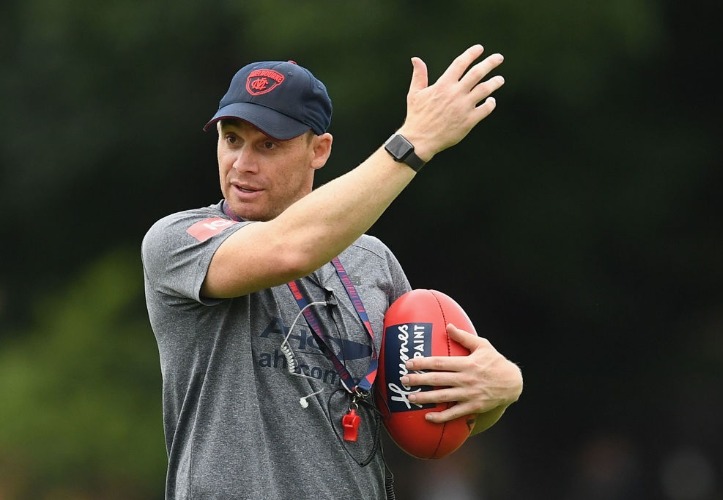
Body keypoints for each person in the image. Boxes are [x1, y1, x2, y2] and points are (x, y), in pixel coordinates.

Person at [142, 44, 523, 500]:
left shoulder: (372, 261)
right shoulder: (179, 239)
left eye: (268, 145)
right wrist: (412, 143)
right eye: (232, 139)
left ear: (318, 151)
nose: (243, 163)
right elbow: (289, 250)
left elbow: (421, 408)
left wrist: (500, 390)